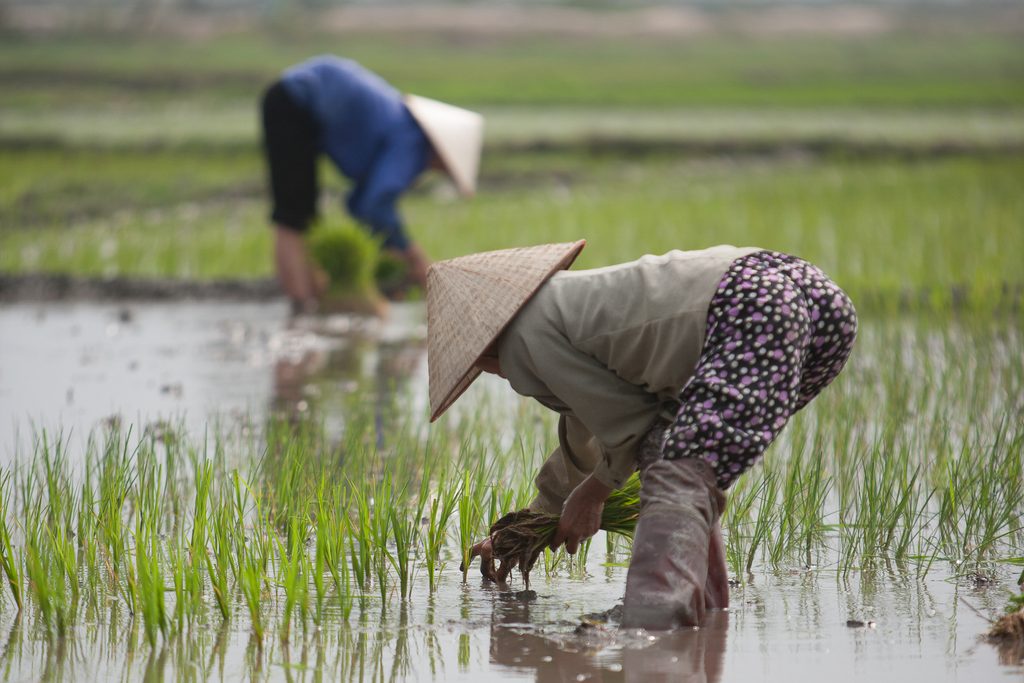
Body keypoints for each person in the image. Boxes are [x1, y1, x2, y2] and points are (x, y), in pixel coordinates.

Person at [425, 241, 857, 630]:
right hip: (812, 298)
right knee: (680, 457)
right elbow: (588, 432)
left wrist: (593, 496)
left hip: (750, 305)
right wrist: (531, 524)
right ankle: (706, 608)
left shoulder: (522, 339)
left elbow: (627, 426)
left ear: (482, 347)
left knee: (677, 466)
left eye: (479, 366)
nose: (492, 373)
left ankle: (654, 621)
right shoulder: (559, 308)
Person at [261, 55, 484, 312]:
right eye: (446, 168)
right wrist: (412, 253)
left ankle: (312, 300)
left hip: (300, 102)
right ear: (443, 154)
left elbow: (358, 204)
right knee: (293, 217)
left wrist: (392, 248)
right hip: (295, 101)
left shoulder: (405, 129)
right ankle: (301, 304)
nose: (440, 171)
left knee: (305, 216)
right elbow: (375, 203)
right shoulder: (411, 141)